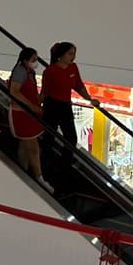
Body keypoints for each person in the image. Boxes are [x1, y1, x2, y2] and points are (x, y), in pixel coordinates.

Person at [41, 41, 99, 177]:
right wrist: (37, 106)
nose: (73, 57)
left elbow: (78, 85)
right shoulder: (50, 71)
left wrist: (89, 99)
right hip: (52, 106)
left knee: (71, 138)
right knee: (49, 137)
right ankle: (46, 166)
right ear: (61, 55)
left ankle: (64, 166)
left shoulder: (73, 68)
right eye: (70, 54)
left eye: (74, 54)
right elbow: (45, 91)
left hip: (66, 105)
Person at [8, 47, 51, 193]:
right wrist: (31, 106)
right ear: (25, 60)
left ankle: (22, 172)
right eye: (33, 59)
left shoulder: (30, 72)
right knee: (32, 146)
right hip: (21, 114)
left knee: (24, 144)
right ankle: (38, 177)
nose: (36, 62)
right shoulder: (20, 72)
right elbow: (14, 91)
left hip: (29, 114)